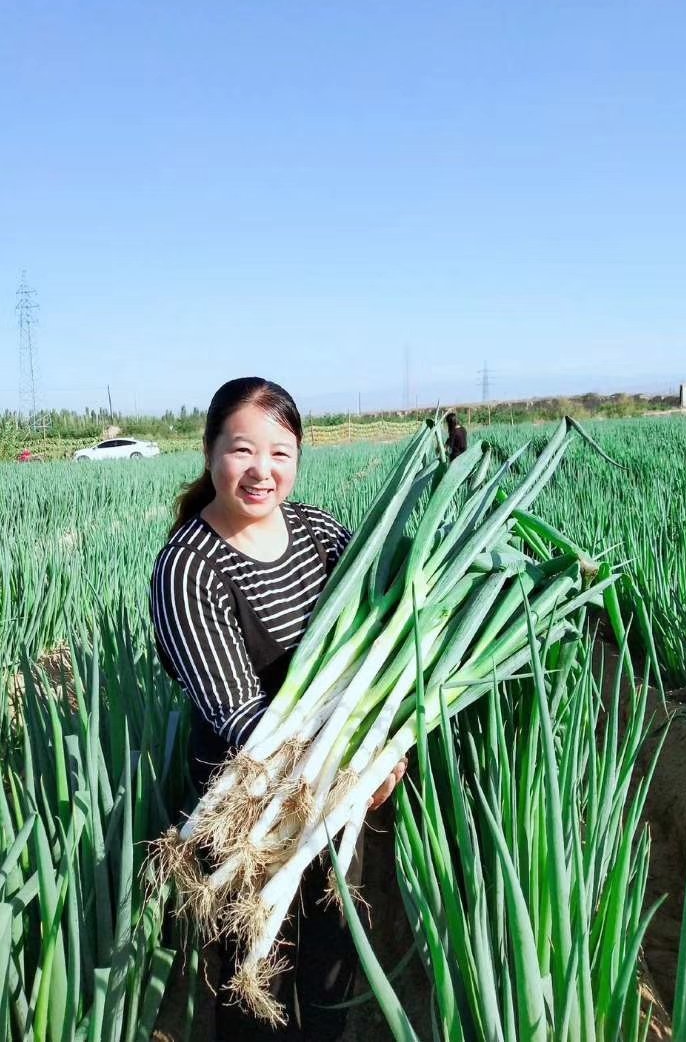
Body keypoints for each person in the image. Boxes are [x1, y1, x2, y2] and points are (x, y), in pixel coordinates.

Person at [150, 377, 407, 1041]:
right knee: (253, 982)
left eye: (281, 453)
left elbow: (395, 620)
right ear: (210, 454)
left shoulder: (318, 533)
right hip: (249, 807)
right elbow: (242, 721)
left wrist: (385, 753)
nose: (262, 470)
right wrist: (355, 763)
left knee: (329, 964)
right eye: (243, 450)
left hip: (329, 794)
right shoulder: (189, 569)